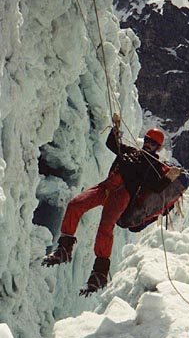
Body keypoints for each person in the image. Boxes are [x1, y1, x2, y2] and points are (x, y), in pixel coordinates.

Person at [42, 114, 181, 295]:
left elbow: (156, 187)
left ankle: (100, 273)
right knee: (75, 204)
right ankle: (64, 248)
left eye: (152, 143)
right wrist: (115, 128)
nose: (148, 144)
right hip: (106, 187)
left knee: (105, 227)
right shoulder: (131, 151)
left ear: (158, 147)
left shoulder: (154, 165)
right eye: (147, 140)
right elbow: (112, 144)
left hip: (122, 194)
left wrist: (169, 177)